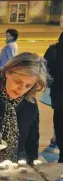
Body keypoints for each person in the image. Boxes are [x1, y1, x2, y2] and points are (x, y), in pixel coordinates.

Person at [44, 32, 63, 162]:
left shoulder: (53, 50)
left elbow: (45, 71)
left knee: (60, 126)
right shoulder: (53, 50)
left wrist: (52, 84)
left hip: (58, 96)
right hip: (58, 95)